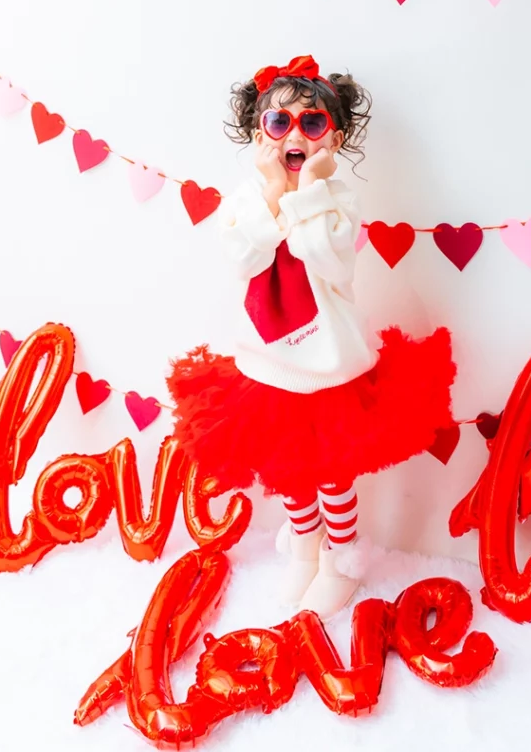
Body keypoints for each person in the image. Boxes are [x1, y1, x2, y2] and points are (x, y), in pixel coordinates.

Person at [167, 55, 456, 619]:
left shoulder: (337, 200)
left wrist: (307, 190)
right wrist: (275, 190)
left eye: (312, 122)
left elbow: (322, 255)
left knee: (331, 472)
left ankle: (341, 558)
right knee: (289, 468)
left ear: (335, 137)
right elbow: (245, 257)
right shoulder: (247, 199)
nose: (294, 135)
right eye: (280, 123)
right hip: (267, 362)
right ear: (260, 136)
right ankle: (304, 547)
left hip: (327, 364)